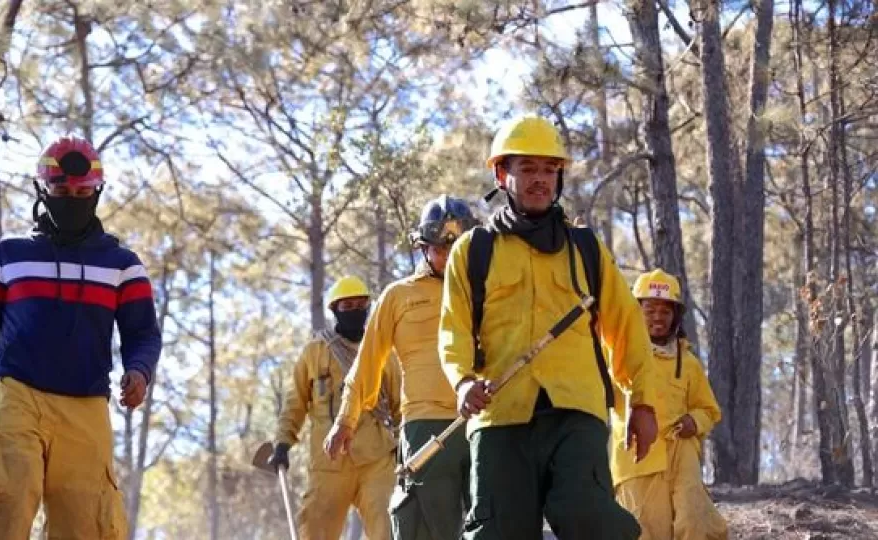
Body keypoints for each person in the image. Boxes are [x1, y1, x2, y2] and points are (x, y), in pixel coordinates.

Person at [438, 113, 659, 539]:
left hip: (576, 412)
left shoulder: (586, 249)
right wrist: (463, 382)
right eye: (528, 169)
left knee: (586, 514)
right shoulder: (474, 250)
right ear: (503, 175)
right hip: (499, 417)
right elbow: (454, 329)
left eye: (549, 169)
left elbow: (626, 327)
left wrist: (643, 402)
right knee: (496, 533)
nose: (540, 180)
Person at [0, 136, 163, 539]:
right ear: (42, 191)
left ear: (97, 193)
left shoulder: (123, 265)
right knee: (10, 494)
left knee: (85, 523)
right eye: (61, 191)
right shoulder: (8, 256)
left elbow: (142, 334)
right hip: (15, 392)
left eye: (83, 192)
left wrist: (139, 372)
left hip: (85, 403)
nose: (72, 199)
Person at [324, 195, 479, 539]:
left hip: (485, 423)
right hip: (426, 428)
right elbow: (367, 364)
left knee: (493, 525)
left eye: (459, 247)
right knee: (423, 526)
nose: (451, 256)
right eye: (441, 248)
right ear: (423, 247)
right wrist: (345, 420)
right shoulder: (398, 297)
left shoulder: (487, 290)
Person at [268, 275, 401, 540]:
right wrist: (282, 444)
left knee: (389, 526)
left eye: (359, 304)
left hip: (376, 460)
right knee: (315, 530)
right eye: (346, 306)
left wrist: (406, 447)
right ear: (334, 310)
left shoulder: (383, 352)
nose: (354, 311)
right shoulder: (314, 353)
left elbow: (400, 406)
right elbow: (294, 403)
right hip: (328, 463)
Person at [610, 269, 727, 540]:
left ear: (676, 316)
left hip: (681, 454)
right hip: (636, 460)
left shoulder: (688, 364)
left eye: (666, 312)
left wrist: (694, 421)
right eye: (649, 310)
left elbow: (709, 410)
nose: (657, 319)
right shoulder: (617, 356)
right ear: (635, 312)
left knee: (694, 521)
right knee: (645, 531)